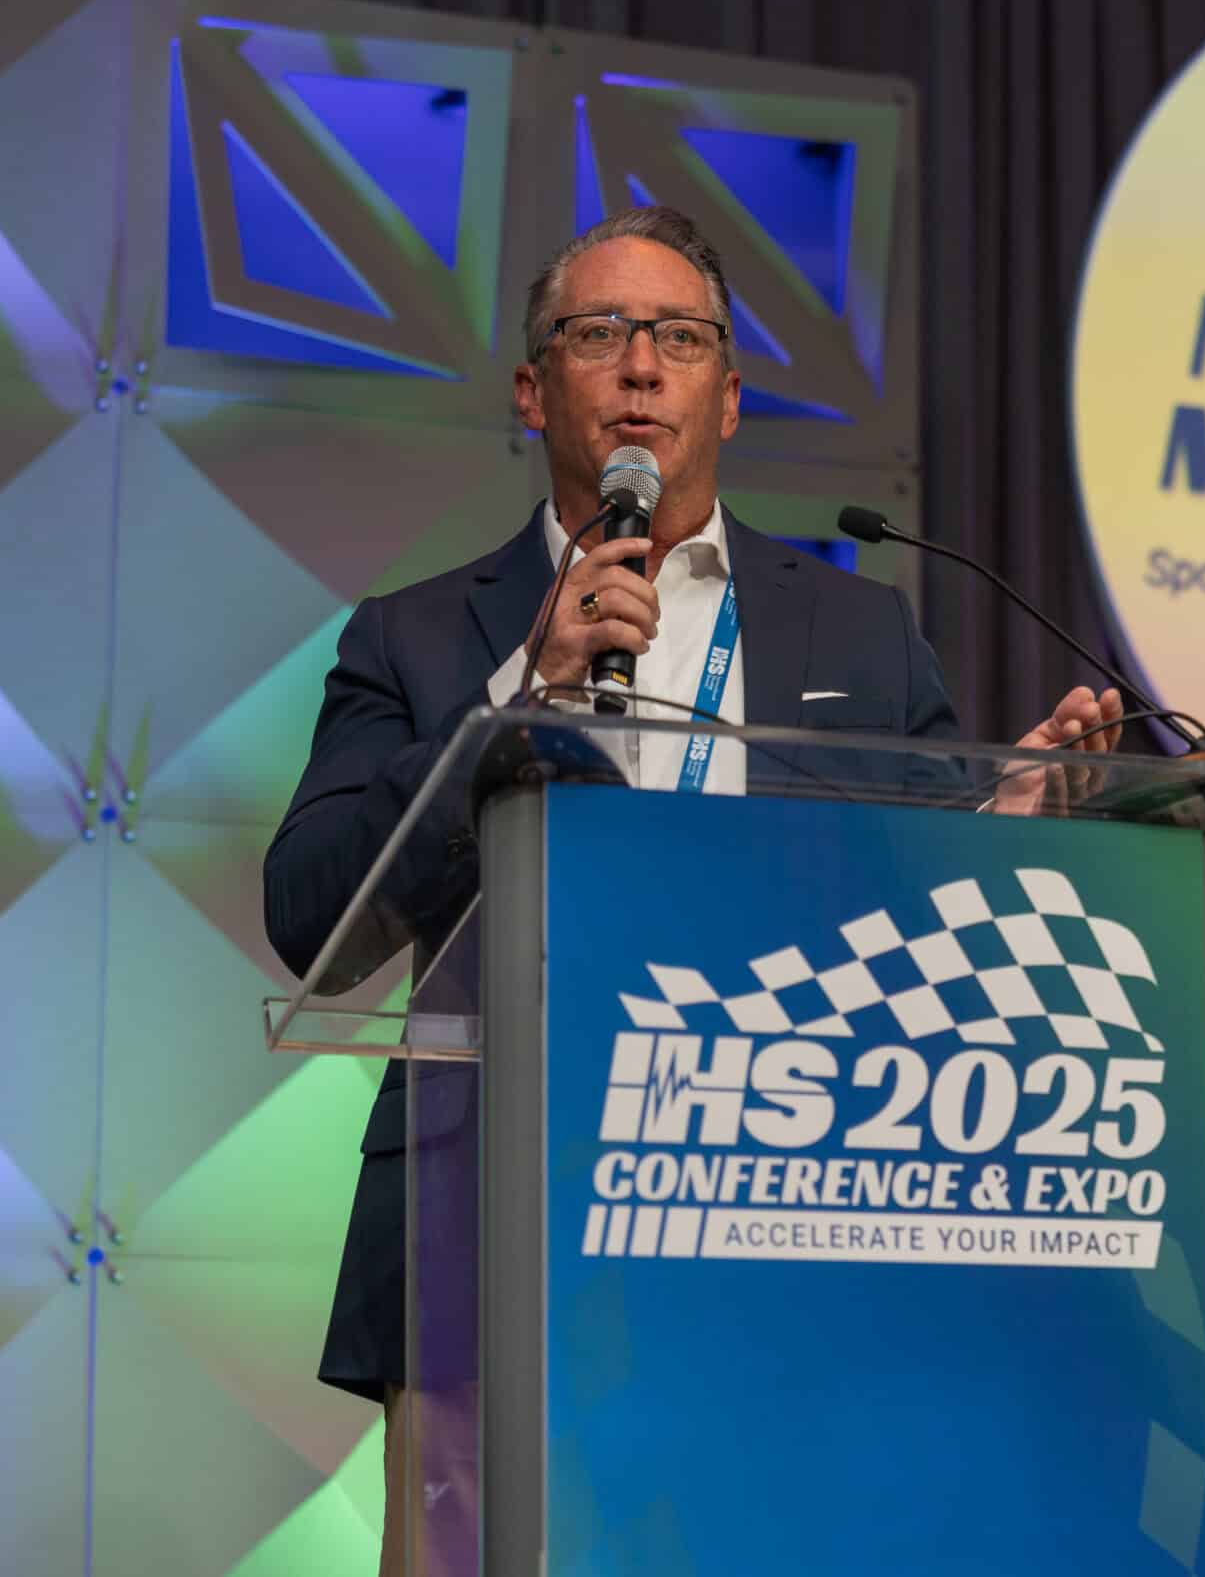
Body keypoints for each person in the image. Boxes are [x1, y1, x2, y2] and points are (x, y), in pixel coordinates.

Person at [262, 205, 1122, 1573]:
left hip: (792, 1220)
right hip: (490, 1237)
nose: (643, 367)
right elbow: (311, 908)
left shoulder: (859, 628)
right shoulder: (421, 636)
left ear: (731, 390)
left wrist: (1000, 829)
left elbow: (906, 925)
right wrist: (513, 698)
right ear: (536, 389)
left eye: (680, 337)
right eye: (599, 334)